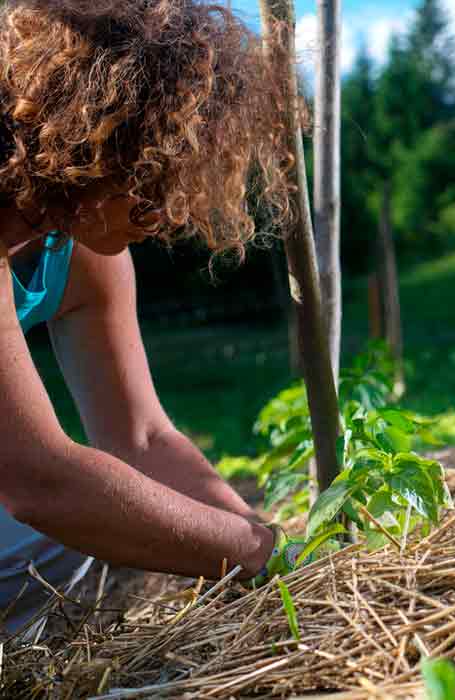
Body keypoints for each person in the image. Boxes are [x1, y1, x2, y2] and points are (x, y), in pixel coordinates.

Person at [0, 0, 314, 634]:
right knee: (66, 532)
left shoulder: (78, 247)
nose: (169, 210)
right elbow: (37, 480)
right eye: (148, 177)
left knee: (84, 547)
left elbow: (143, 437)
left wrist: (265, 544)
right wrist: (252, 556)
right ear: (85, 145)